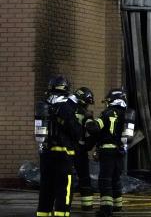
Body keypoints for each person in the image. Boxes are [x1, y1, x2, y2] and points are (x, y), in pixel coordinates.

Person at [36, 75, 83, 217]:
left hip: (45, 153)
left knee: (46, 188)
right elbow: (76, 132)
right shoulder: (67, 107)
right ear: (66, 88)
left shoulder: (44, 105)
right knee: (64, 189)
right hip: (63, 154)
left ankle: (43, 214)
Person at [86, 89, 128, 217]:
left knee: (105, 180)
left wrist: (88, 121)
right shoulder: (125, 114)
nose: (107, 104)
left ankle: (106, 209)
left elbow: (95, 128)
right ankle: (118, 205)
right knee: (116, 179)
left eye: (108, 101)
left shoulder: (107, 113)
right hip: (119, 151)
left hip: (107, 151)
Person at [72, 87, 96, 211]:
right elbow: (92, 133)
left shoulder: (66, 111)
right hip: (80, 151)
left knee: (67, 178)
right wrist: (88, 146)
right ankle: (87, 205)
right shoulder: (86, 115)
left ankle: (64, 204)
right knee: (84, 178)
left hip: (67, 150)